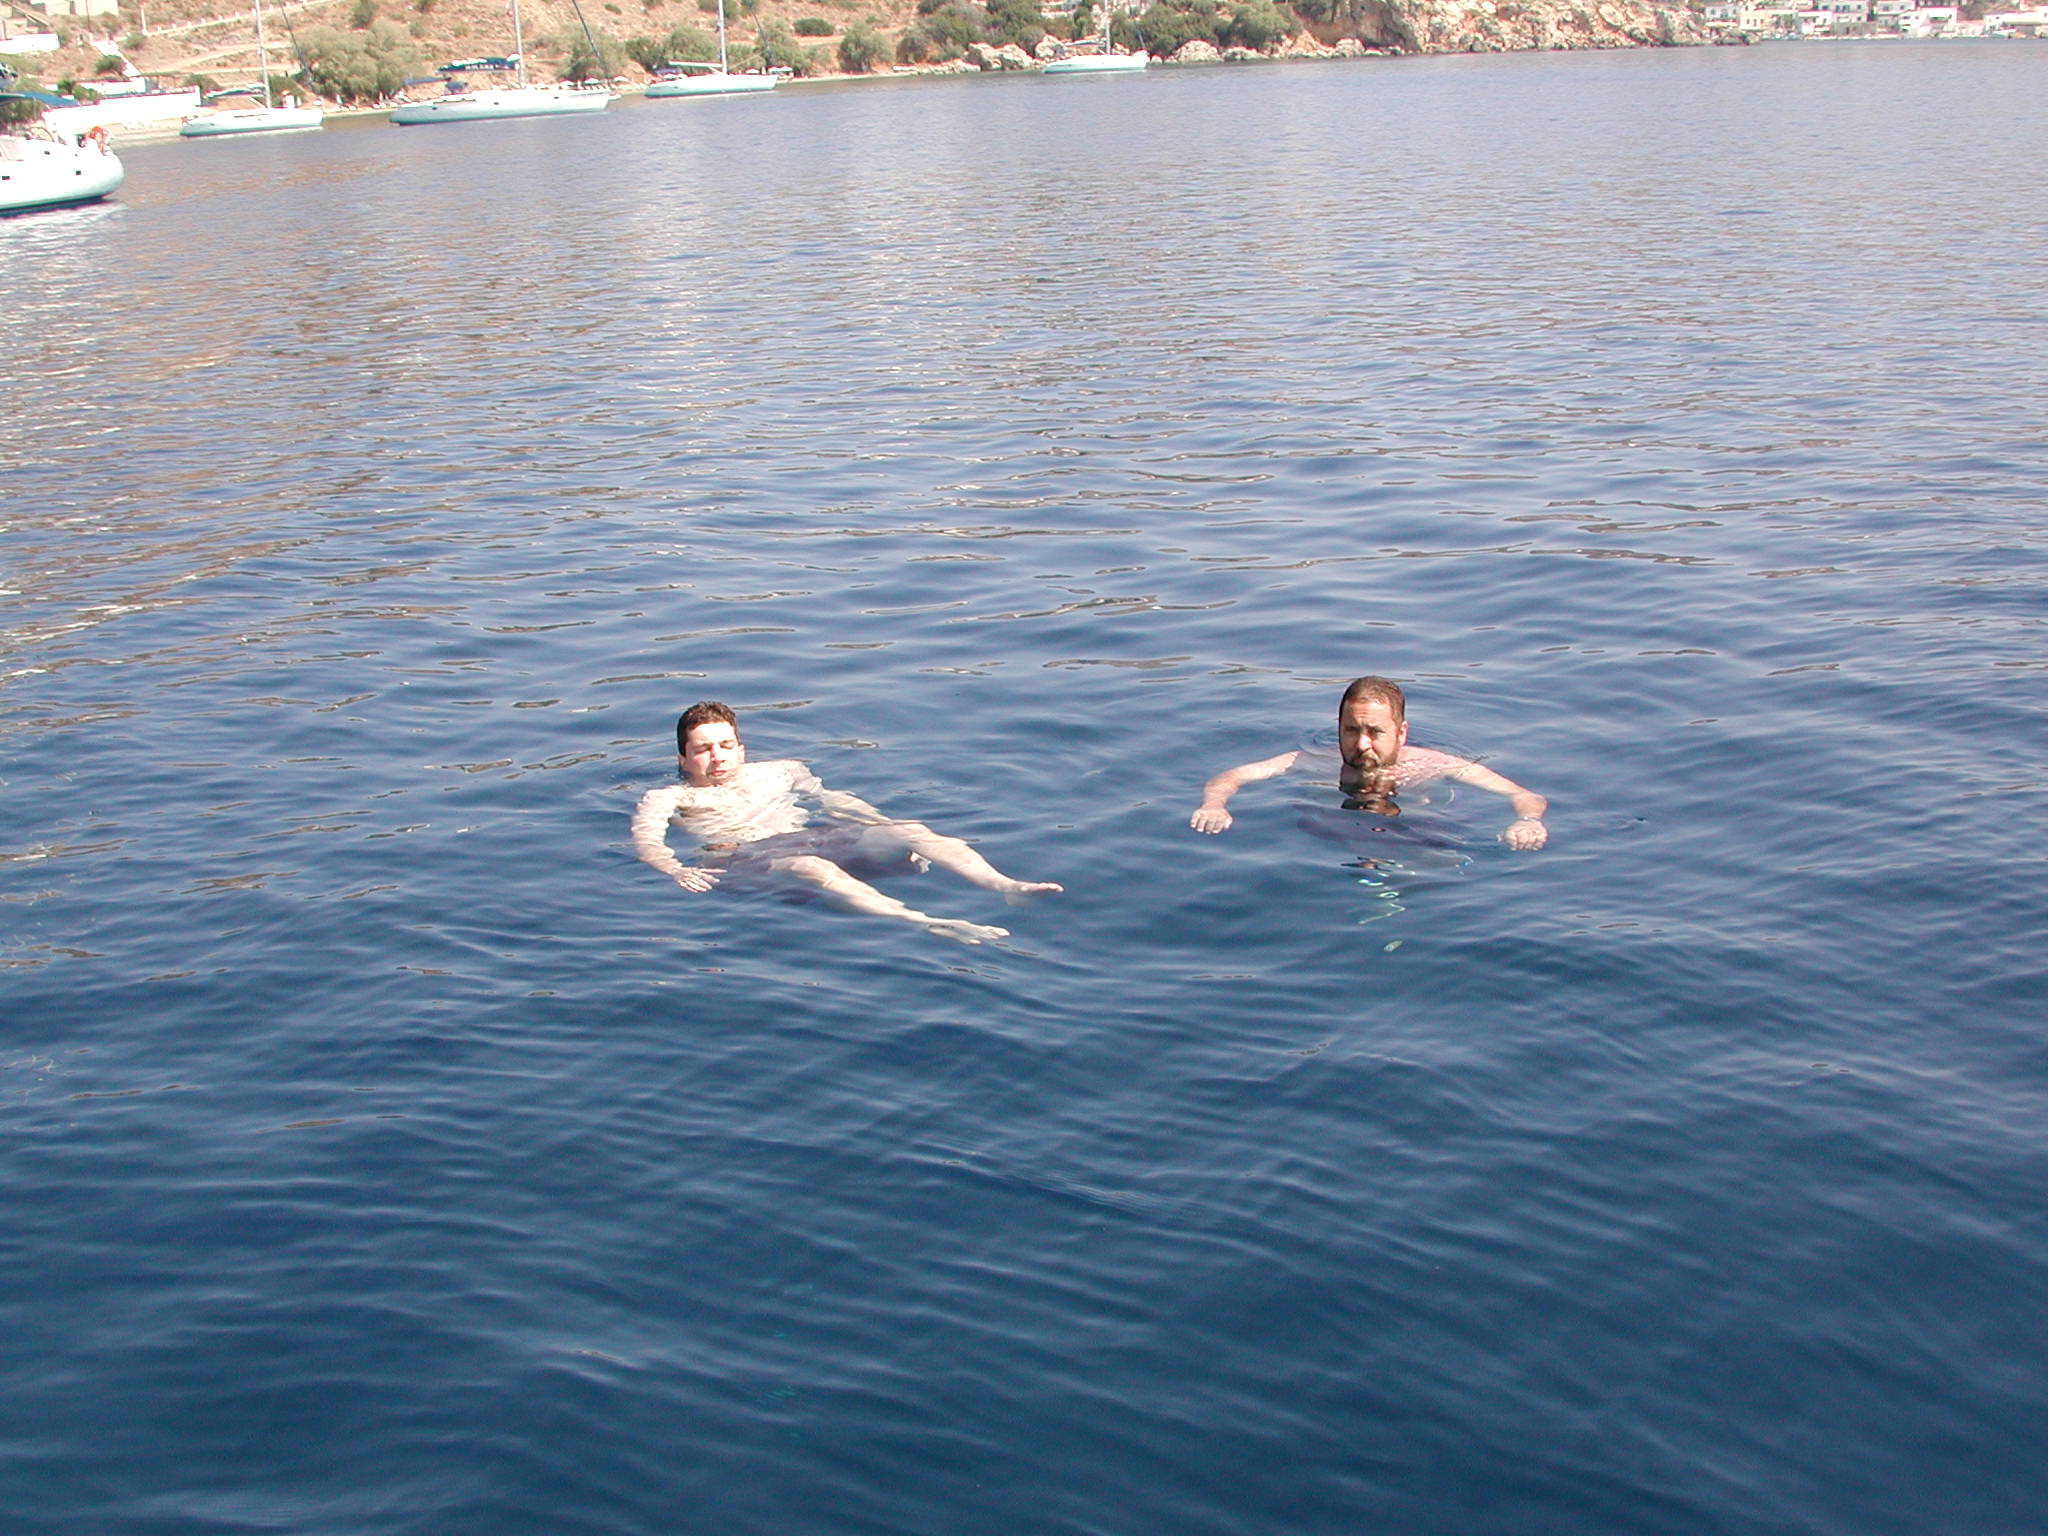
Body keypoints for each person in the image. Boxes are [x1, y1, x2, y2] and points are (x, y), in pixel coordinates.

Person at [632, 701, 1061, 945]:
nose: (718, 757)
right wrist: (675, 869)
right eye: (703, 749)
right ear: (683, 758)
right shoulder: (669, 797)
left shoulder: (783, 770)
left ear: (741, 748)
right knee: (810, 867)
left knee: (909, 829)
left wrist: (887, 828)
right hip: (743, 858)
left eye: (726, 745)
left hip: (809, 837)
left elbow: (833, 802)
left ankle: (1006, 886)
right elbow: (648, 841)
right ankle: (929, 922)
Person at [1189, 676, 1549, 850]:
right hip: (1337, 846)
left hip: (1420, 837)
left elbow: (1522, 795)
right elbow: (1230, 777)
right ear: (1338, 727)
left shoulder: (1434, 765)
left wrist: (1528, 821)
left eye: (1375, 732)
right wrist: (1214, 804)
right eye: (1351, 730)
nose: (1362, 744)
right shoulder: (1312, 761)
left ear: (1401, 732)